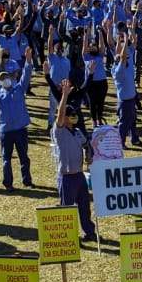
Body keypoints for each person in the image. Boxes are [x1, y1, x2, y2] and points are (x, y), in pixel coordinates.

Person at [51, 81, 97, 241]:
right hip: (67, 177)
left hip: (79, 176)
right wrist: (64, 95)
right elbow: (60, 113)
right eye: (69, 115)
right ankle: (68, 238)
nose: (73, 117)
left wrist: (89, 155)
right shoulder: (60, 132)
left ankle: (89, 232)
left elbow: (87, 145)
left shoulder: (77, 132)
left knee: (85, 207)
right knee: (67, 209)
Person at [0, 50, 35, 191]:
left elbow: (26, 76)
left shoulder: (19, 89)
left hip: (20, 129)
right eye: (2, 78)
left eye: (6, 76)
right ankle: (8, 183)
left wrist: (28, 61)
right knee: (6, 159)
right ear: (0, 82)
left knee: (24, 157)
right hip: (6, 131)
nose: (5, 79)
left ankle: (27, 180)